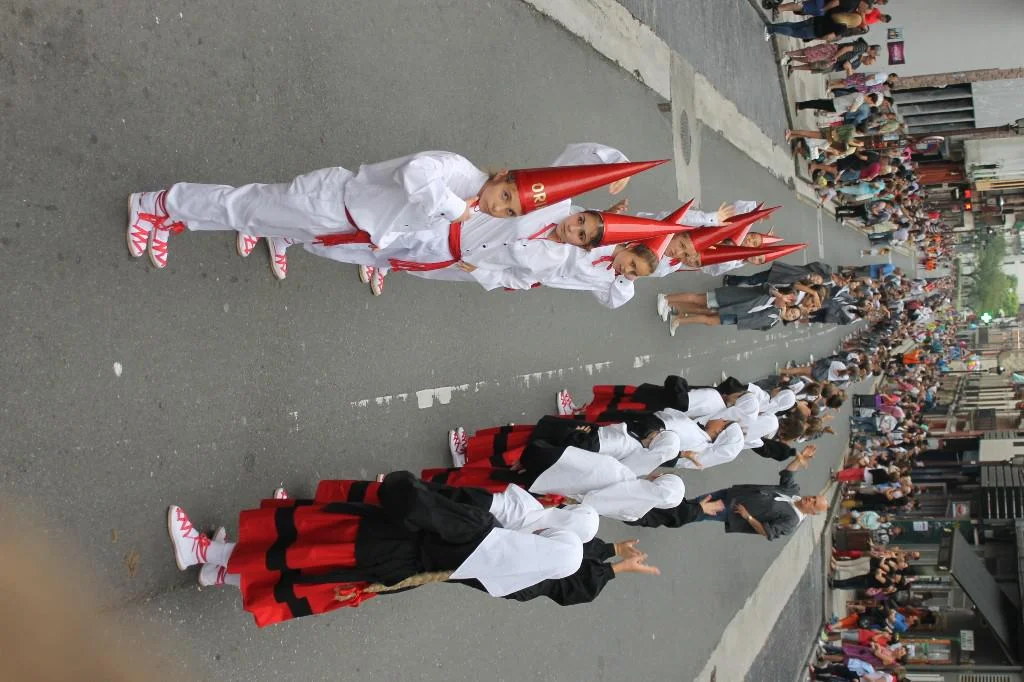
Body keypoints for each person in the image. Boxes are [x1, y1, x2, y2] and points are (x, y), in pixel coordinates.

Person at [127, 147, 664, 279]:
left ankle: (178, 217)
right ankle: (155, 204)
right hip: (333, 202)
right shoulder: (457, 172)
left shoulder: (479, 210)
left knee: (253, 219)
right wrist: (611, 166)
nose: (500, 207)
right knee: (243, 204)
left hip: (348, 228)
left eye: (509, 210)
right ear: (502, 177)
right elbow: (415, 175)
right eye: (505, 197)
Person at [166, 471, 613, 627]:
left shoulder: (485, 530)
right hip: (394, 571)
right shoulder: (510, 578)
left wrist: (399, 483)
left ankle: (200, 553)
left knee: (295, 547)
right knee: (302, 571)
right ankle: (220, 573)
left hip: (379, 542)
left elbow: (411, 499)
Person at [626, 448, 827, 539]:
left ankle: (646, 515)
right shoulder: (794, 494)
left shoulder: (791, 521)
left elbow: (768, 532)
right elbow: (788, 474)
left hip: (731, 510)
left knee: (694, 512)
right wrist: (799, 460)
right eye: (814, 497)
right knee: (694, 503)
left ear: (812, 512)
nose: (810, 499)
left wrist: (748, 517)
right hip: (732, 494)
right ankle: (660, 503)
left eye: (813, 503)